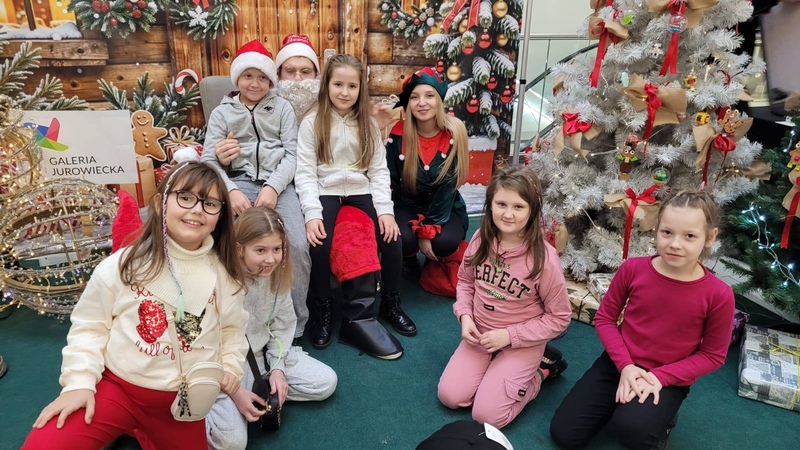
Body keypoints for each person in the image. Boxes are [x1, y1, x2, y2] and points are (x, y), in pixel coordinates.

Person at [23, 162, 248, 450]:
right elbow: (90, 326)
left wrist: (230, 368)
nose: (197, 209)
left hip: (184, 405)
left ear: (220, 216)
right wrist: (78, 383)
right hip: (118, 389)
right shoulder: (122, 265)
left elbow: (232, 329)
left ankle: (142, 434)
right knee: (46, 444)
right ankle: (132, 429)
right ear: (159, 203)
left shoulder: (224, 274)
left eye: (210, 203)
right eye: (185, 197)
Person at [550, 190, 735, 449]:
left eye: (689, 236)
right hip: (618, 364)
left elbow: (713, 355)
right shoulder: (632, 269)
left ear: (710, 237)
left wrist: (660, 378)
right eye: (667, 232)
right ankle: (624, 403)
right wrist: (625, 366)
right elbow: (605, 319)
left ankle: (661, 416)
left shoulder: (719, 294)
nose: (675, 244)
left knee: (632, 432)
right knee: (564, 434)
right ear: (656, 228)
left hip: (667, 378)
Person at [437, 165, 571, 429]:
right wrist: (464, 316)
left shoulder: (544, 260)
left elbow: (560, 318)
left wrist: (509, 336)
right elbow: (465, 282)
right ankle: (495, 373)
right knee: (449, 397)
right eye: (501, 204)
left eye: (518, 207)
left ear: (532, 210)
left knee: (487, 417)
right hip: (480, 336)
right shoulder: (480, 238)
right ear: (490, 205)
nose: (508, 214)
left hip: (521, 342)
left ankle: (541, 372)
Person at [295, 54, 410, 358]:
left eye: (352, 86)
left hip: (360, 189)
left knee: (392, 238)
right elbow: (305, 173)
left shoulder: (367, 124)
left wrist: (385, 212)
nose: (344, 92)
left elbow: (379, 171)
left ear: (361, 89)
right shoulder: (312, 123)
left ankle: (390, 302)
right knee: (318, 243)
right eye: (338, 84)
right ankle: (323, 308)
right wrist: (312, 214)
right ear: (327, 85)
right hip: (326, 190)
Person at [202, 39, 311, 352]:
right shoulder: (222, 113)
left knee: (297, 245)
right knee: (222, 242)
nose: (255, 83)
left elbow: (293, 154)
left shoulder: (282, 108)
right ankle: (233, 322)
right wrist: (232, 190)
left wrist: (274, 187)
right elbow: (208, 160)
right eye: (248, 75)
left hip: (279, 184)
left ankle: (296, 327)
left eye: (263, 77)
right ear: (237, 78)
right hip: (237, 182)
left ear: (271, 80)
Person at [206, 207, 336, 450]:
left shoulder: (277, 273)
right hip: (227, 364)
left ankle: (260, 390)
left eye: (277, 249)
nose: (271, 259)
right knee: (232, 443)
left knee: (325, 382)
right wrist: (235, 391)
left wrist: (278, 368)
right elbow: (206, 346)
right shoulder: (218, 278)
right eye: (261, 250)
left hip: (263, 355)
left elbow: (283, 324)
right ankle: (226, 401)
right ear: (239, 248)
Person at [385, 67, 470, 278]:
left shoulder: (454, 133)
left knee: (444, 241)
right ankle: (408, 259)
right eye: (415, 97)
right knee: (400, 237)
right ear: (408, 103)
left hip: (445, 206)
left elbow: (448, 188)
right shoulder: (397, 135)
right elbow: (390, 181)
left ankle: (437, 261)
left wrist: (427, 231)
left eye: (429, 96)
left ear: (439, 100)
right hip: (406, 204)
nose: (422, 103)